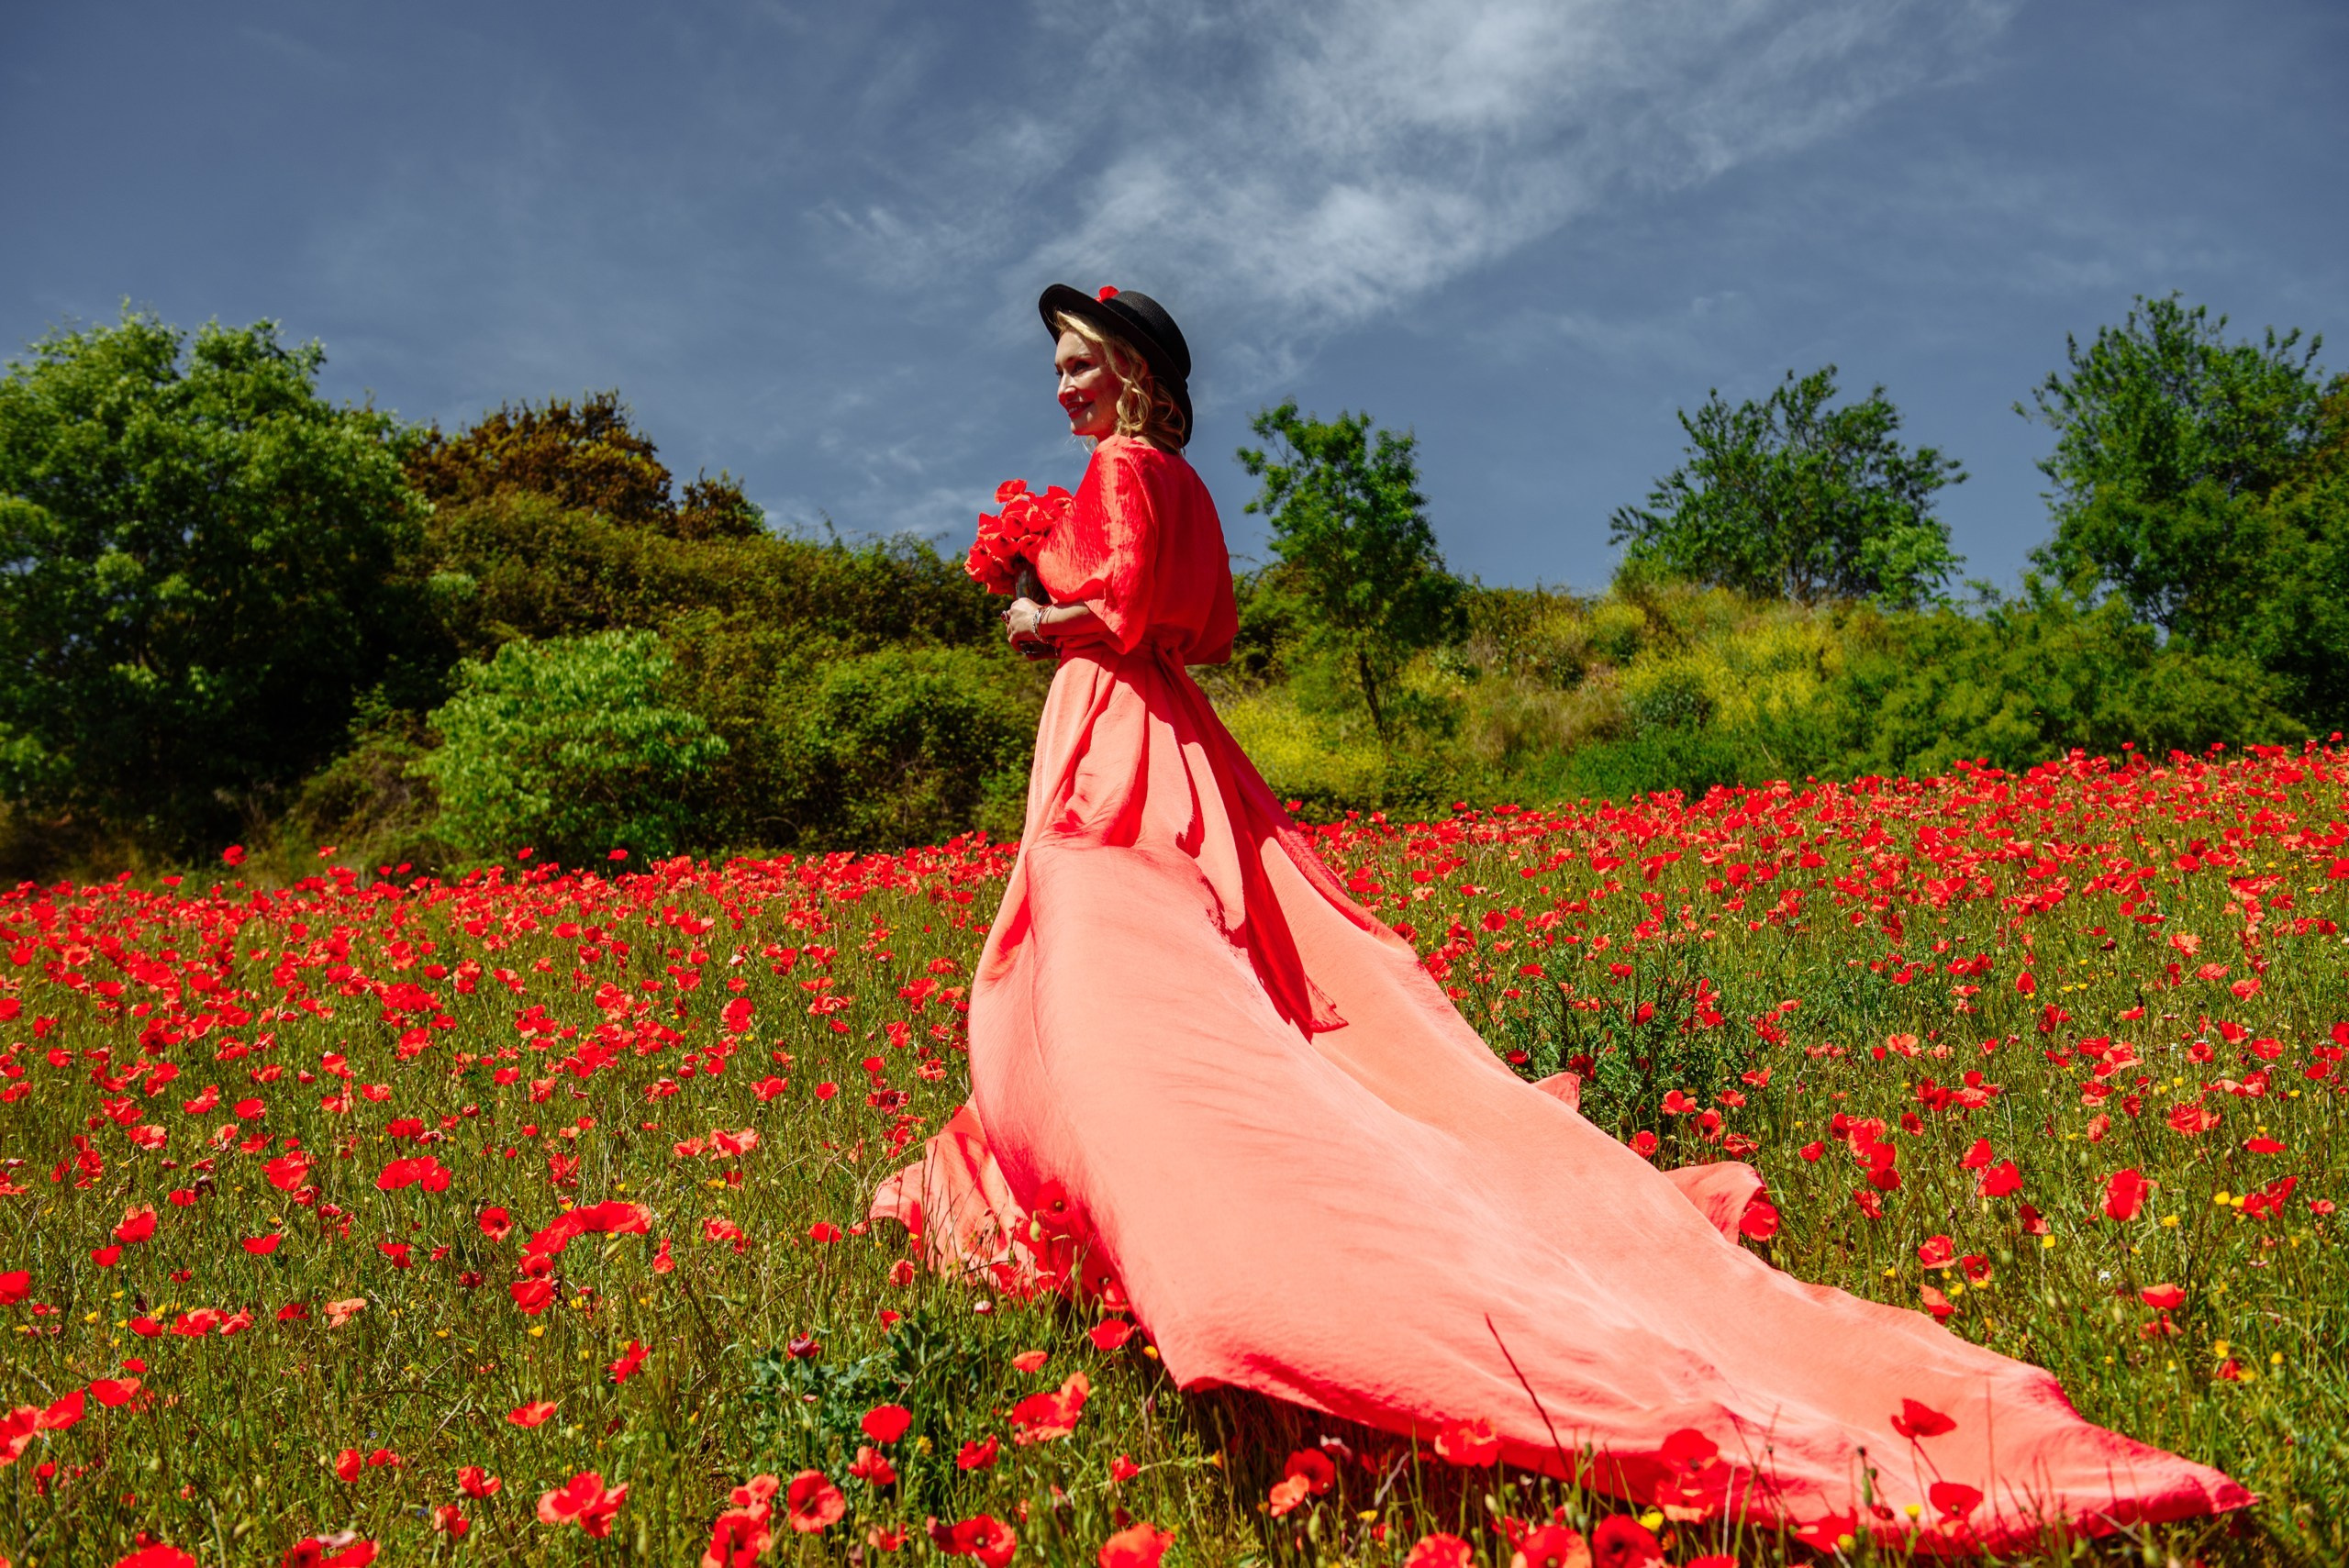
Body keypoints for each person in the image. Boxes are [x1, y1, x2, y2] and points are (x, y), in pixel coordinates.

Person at [872, 284, 2251, 1551]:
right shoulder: (1172, 477)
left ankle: (1201, 1236)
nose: (1064, 389)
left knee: (1111, 974)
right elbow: (1203, 620)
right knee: (1195, 970)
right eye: (1055, 368)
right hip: (1176, 723)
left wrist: (1034, 617)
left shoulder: (1119, 471)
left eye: (1078, 365)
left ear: (1129, 376)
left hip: (1113, 725)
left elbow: (1114, 605)